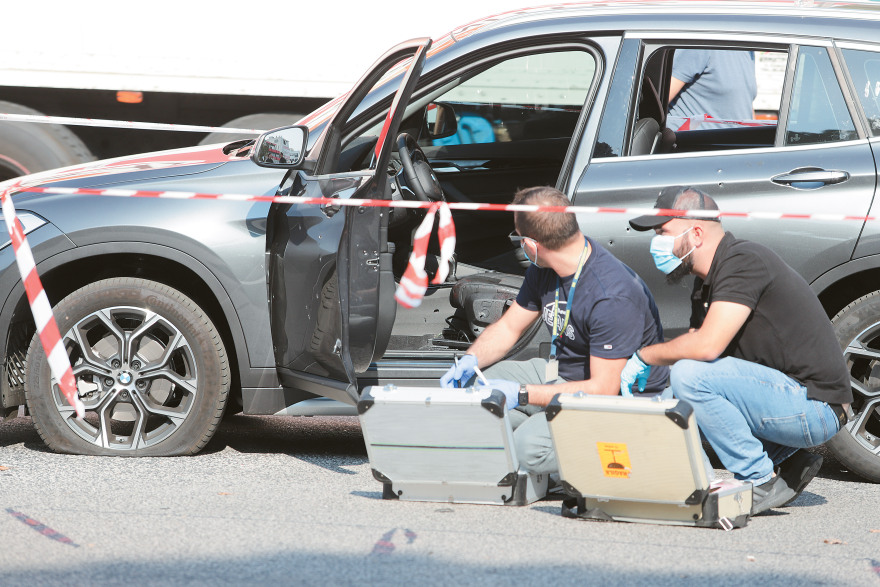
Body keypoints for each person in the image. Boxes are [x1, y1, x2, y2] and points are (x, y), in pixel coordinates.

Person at [621, 186, 852, 515]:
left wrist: (644, 357)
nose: (656, 243)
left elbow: (706, 346)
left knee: (689, 376)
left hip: (816, 406)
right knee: (671, 394)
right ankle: (705, 483)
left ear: (696, 232)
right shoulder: (707, 280)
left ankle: (759, 479)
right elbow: (694, 350)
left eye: (663, 232)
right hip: (783, 397)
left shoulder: (742, 261)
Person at [440, 186, 668, 474]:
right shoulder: (545, 267)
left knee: (528, 448)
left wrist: (521, 394)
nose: (518, 244)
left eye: (518, 238)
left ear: (533, 245)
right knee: (478, 390)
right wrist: (469, 362)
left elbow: (603, 389)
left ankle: (620, 455)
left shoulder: (611, 294)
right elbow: (509, 327)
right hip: (564, 374)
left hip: (616, 398)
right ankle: (534, 441)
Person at [667, 49, 757, 129]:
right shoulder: (703, 46)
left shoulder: (748, 51)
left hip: (740, 144)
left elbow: (746, 107)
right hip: (699, 144)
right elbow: (659, 100)